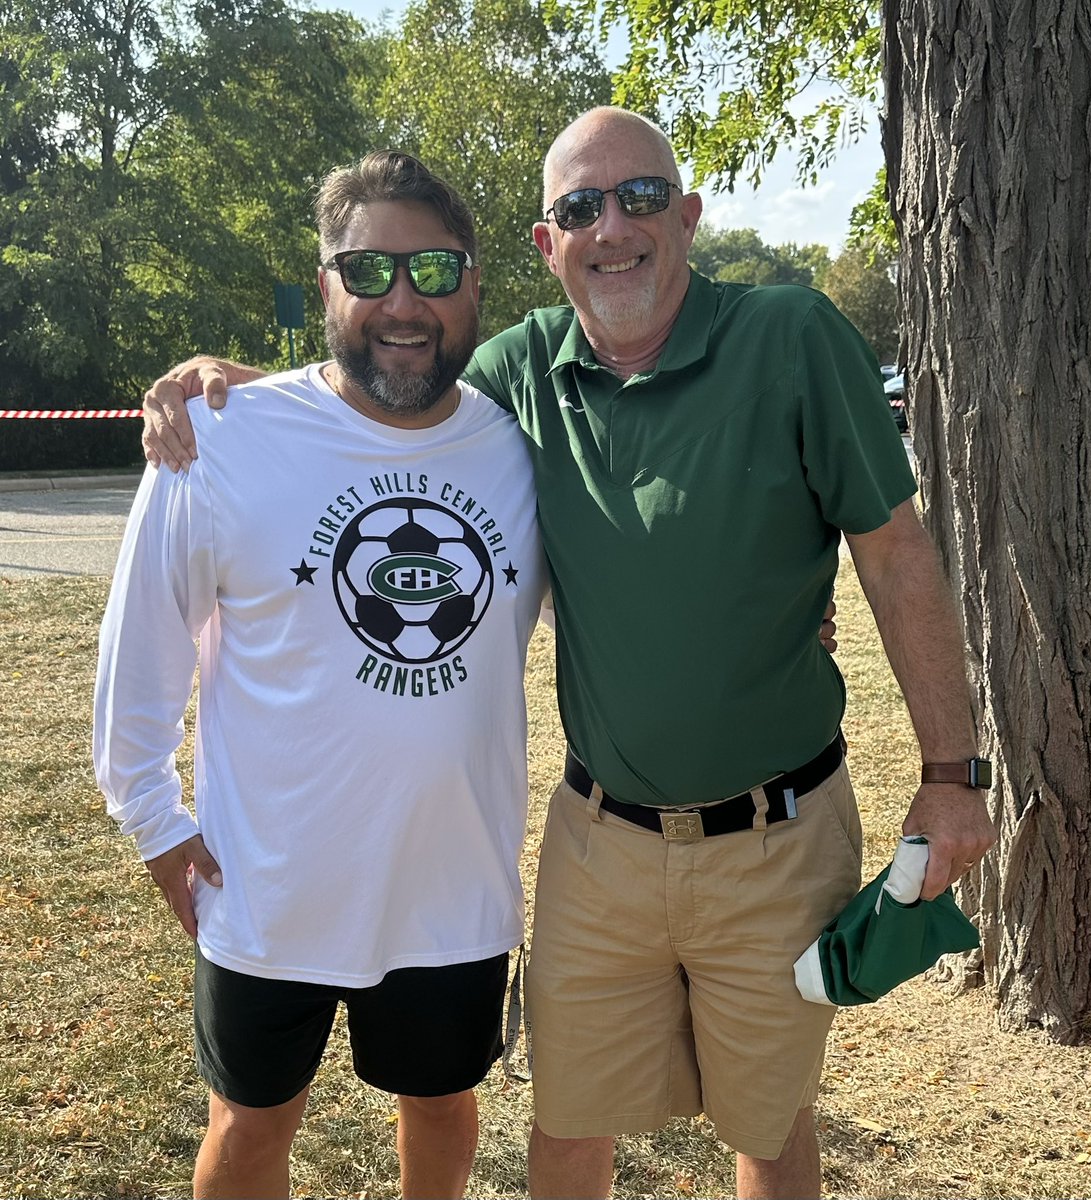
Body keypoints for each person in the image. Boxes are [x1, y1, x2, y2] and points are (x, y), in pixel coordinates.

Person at [142, 108, 994, 1200]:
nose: (612, 228)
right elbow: (385, 387)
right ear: (548, 245)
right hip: (600, 844)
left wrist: (948, 774)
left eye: (641, 197)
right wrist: (236, 387)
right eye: (579, 207)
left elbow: (894, 552)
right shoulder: (518, 375)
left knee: (768, 1124)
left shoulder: (792, 338)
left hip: (778, 831)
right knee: (566, 1126)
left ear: (686, 216)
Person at [94, 151, 549, 1200]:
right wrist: (159, 830)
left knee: (440, 1105)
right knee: (252, 1127)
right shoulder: (220, 438)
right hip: (272, 888)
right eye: (368, 270)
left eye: (433, 271)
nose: (402, 300)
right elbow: (139, 665)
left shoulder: (525, 451)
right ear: (325, 284)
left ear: (476, 284)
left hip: (454, 888)